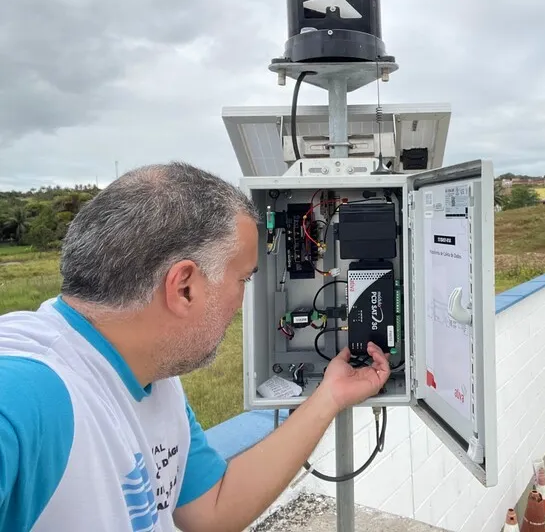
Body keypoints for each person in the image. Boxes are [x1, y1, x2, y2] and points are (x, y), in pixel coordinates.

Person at [0, 162, 390, 532]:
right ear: (184, 287)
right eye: (244, 279)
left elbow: (212, 511)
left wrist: (329, 397)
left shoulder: (154, 378)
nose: (241, 304)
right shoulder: (29, 395)